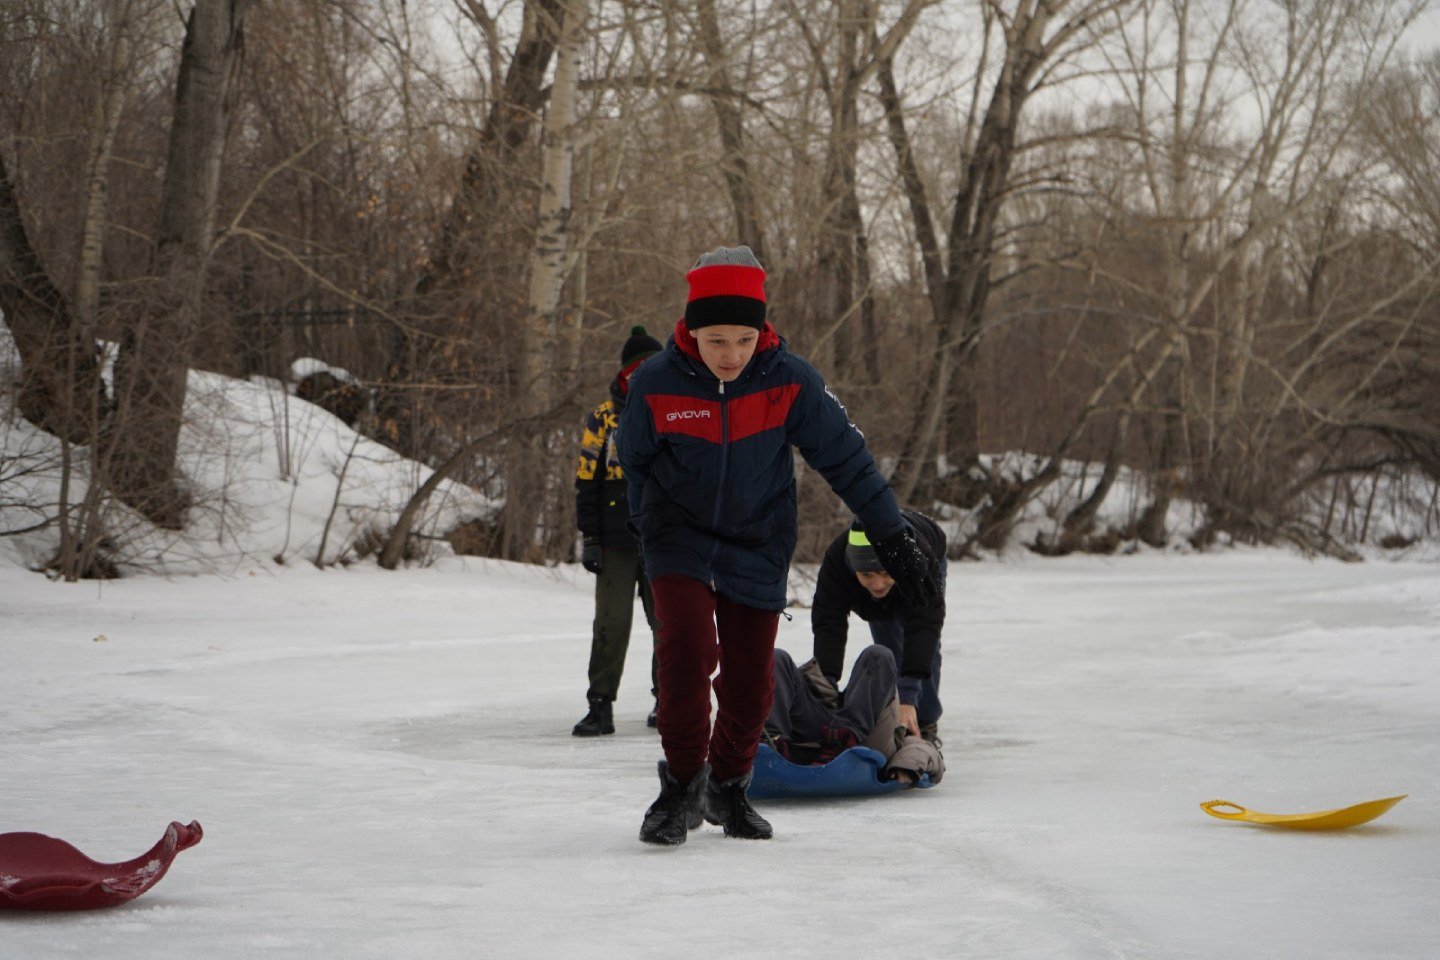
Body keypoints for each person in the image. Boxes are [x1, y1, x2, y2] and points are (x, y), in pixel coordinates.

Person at [618, 244, 941, 846]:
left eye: (744, 339)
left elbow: (846, 460)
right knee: (686, 651)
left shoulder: (790, 381)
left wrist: (893, 535)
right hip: (678, 537)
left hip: (758, 539)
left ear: (760, 330)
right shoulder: (655, 383)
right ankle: (682, 785)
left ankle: (731, 785)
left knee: (750, 676)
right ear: (691, 331)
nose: (732, 355)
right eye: (716, 340)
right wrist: (648, 525)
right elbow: (634, 462)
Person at [571, 326, 665, 737]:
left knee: (669, 624)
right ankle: (600, 704)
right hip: (614, 541)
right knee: (611, 622)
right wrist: (590, 537)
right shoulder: (604, 419)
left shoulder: (675, 411)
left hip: (664, 538)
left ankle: (669, 701)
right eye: (636, 369)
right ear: (625, 374)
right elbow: (585, 481)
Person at [812, 510, 948, 745]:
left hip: (917, 562)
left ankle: (923, 721)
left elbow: (924, 628)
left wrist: (908, 699)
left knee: (923, 647)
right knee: (887, 648)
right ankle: (890, 711)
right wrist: (827, 687)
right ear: (853, 568)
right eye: (867, 574)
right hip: (874, 591)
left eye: (885, 573)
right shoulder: (836, 566)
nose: (877, 583)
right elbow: (828, 626)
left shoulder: (920, 561)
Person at [765, 646, 944, 785]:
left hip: (863, 743)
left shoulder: (895, 720)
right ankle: (769, 744)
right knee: (777, 658)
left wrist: (906, 767)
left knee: (879, 655)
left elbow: (923, 749)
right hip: (808, 737)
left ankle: (845, 737)